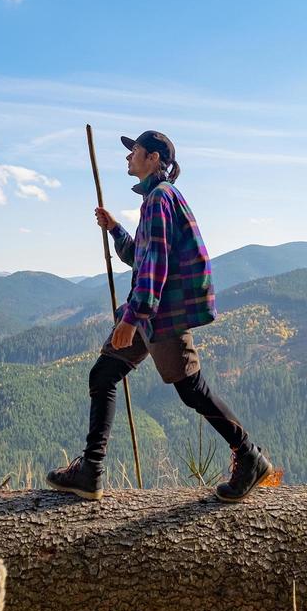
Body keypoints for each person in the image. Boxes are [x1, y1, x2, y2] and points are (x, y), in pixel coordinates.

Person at [46, 130, 272, 502]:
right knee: (103, 374)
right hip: (152, 311)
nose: (127, 157)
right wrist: (115, 228)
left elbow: (155, 265)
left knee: (193, 391)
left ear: (153, 159)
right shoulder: (159, 198)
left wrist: (132, 317)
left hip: (157, 314)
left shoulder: (158, 200)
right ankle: (91, 469)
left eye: (133, 151)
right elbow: (142, 254)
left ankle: (249, 456)